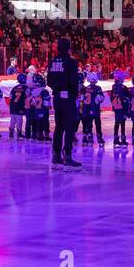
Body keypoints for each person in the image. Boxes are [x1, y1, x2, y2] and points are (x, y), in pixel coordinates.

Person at [48, 37, 81, 168]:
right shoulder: (72, 62)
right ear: (69, 48)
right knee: (69, 127)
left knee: (58, 126)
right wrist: (74, 94)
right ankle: (67, 155)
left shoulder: (53, 62)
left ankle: (56, 155)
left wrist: (57, 87)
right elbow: (74, 81)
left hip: (57, 97)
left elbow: (49, 81)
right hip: (68, 98)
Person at [82, 72, 105, 146]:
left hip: (88, 109)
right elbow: (101, 98)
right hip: (95, 108)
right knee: (97, 124)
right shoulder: (98, 88)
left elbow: (82, 98)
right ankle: (99, 137)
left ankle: (90, 136)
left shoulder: (86, 88)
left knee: (90, 124)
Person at [8, 72, 28, 140]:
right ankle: (19, 133)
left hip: (13, 105)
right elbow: (28, 96)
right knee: (19, 119)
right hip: (20, 106)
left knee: (13, 120)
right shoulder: (26, 87)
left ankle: (11, 133)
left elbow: (10, 97)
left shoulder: (14, 88)